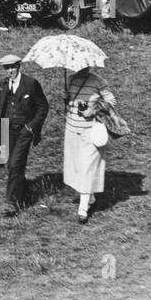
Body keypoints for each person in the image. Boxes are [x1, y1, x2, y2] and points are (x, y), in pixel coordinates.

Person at [0, 55, 49, 217]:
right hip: (7, 129)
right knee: (10, 163)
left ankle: (12, 203)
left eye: (13, 67)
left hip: (24, 130)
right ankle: (25, 192)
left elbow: (43, 107)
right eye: (7, 68)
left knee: (15, 164)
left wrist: (31, 127)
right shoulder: (3, 85)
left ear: (19, 66)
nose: (10, 71)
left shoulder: (31, 83)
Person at [64, 65, 115, 223]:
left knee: (87, 167)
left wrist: (93, 110)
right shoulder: (70, 79)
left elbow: (111, 101)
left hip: (90, 131)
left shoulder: (98, 81)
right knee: (78, 167)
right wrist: (66, 99)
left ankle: (83, 209)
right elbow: (69, 102)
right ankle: (90, 197)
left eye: (86, 65)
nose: (82, 68)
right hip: (72, 130)